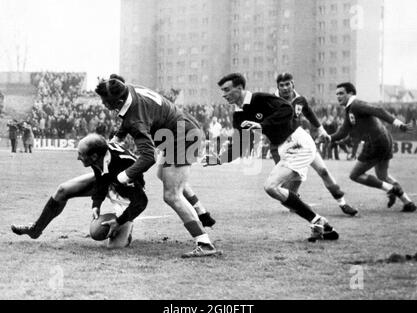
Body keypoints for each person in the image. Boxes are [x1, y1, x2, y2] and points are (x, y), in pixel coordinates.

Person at [95, 74, 220, 258]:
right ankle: (201, 211)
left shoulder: (135, 119)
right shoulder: (126, 88)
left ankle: (204, 243)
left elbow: (147, 157)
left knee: (171, 195)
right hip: (179, 130)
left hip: (181, 136)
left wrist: (122, 177)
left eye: (106, 101)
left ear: (119, 99)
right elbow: (128, 118)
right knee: (164, 176)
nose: (104, 104)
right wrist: (117, 138)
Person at [210, 73, 339, 242]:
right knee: (283, 195)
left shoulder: (259, 98)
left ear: (240, 88)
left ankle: (319, 220)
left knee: (271, 187)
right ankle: (323, 226)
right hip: (284, 148)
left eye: (227, 90)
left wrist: (261, 125)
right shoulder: (238, 115)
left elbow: (287, 109)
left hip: (298, 142)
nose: (224, 94)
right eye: (222, 91)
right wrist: (220, 158)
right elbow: (242, 144)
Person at [12, 133, 148, 249]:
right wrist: (96, 204)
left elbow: (141, 201)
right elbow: (101, 177)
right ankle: (35, 229)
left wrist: (120, 221)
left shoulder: (123, 167)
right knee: (63, 190)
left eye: (81, 154)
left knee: (107, 241)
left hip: (125, 194)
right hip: (110, 180)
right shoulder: (100, 156)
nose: (78, 158)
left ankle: (126, 230)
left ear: (94, 156)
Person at [274, 73, 358, 216]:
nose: (285, 88)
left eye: (288, 84)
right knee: (289, 185)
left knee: (324, 171)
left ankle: (343, 203)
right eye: (282, 85)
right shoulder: (272, 101)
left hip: (302, 142)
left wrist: (322, 131)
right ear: (278, 87)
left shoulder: (300, 99)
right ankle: (294, 202)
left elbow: (311, 115)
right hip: (285, 146)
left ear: (293, 84)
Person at [328, 82, 416, 212]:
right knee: (382, 176)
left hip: (376, 142)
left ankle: (391, 189)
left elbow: (378, 111)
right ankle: (408, 202)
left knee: (355, 175)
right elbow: (342, 132)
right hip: (384, 139)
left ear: (351, 93)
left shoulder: (356, 105)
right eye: (337, 94)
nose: (338, 96)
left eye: (341, 93)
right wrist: (328, 138)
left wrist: (399, 124)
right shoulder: (350, 110)